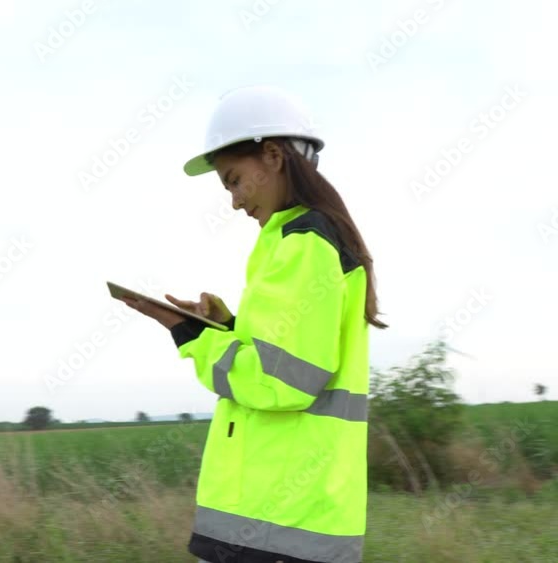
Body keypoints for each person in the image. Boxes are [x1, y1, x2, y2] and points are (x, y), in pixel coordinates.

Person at [122, 85, 387, 563]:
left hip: (279, 523)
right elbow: (288, 355)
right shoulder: (301, 239)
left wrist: (189, 334)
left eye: (234, 181)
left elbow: (281, 381)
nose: (234, 202)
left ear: (273, 157)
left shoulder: (304, 242)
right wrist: (228, 326)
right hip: (283, 521)